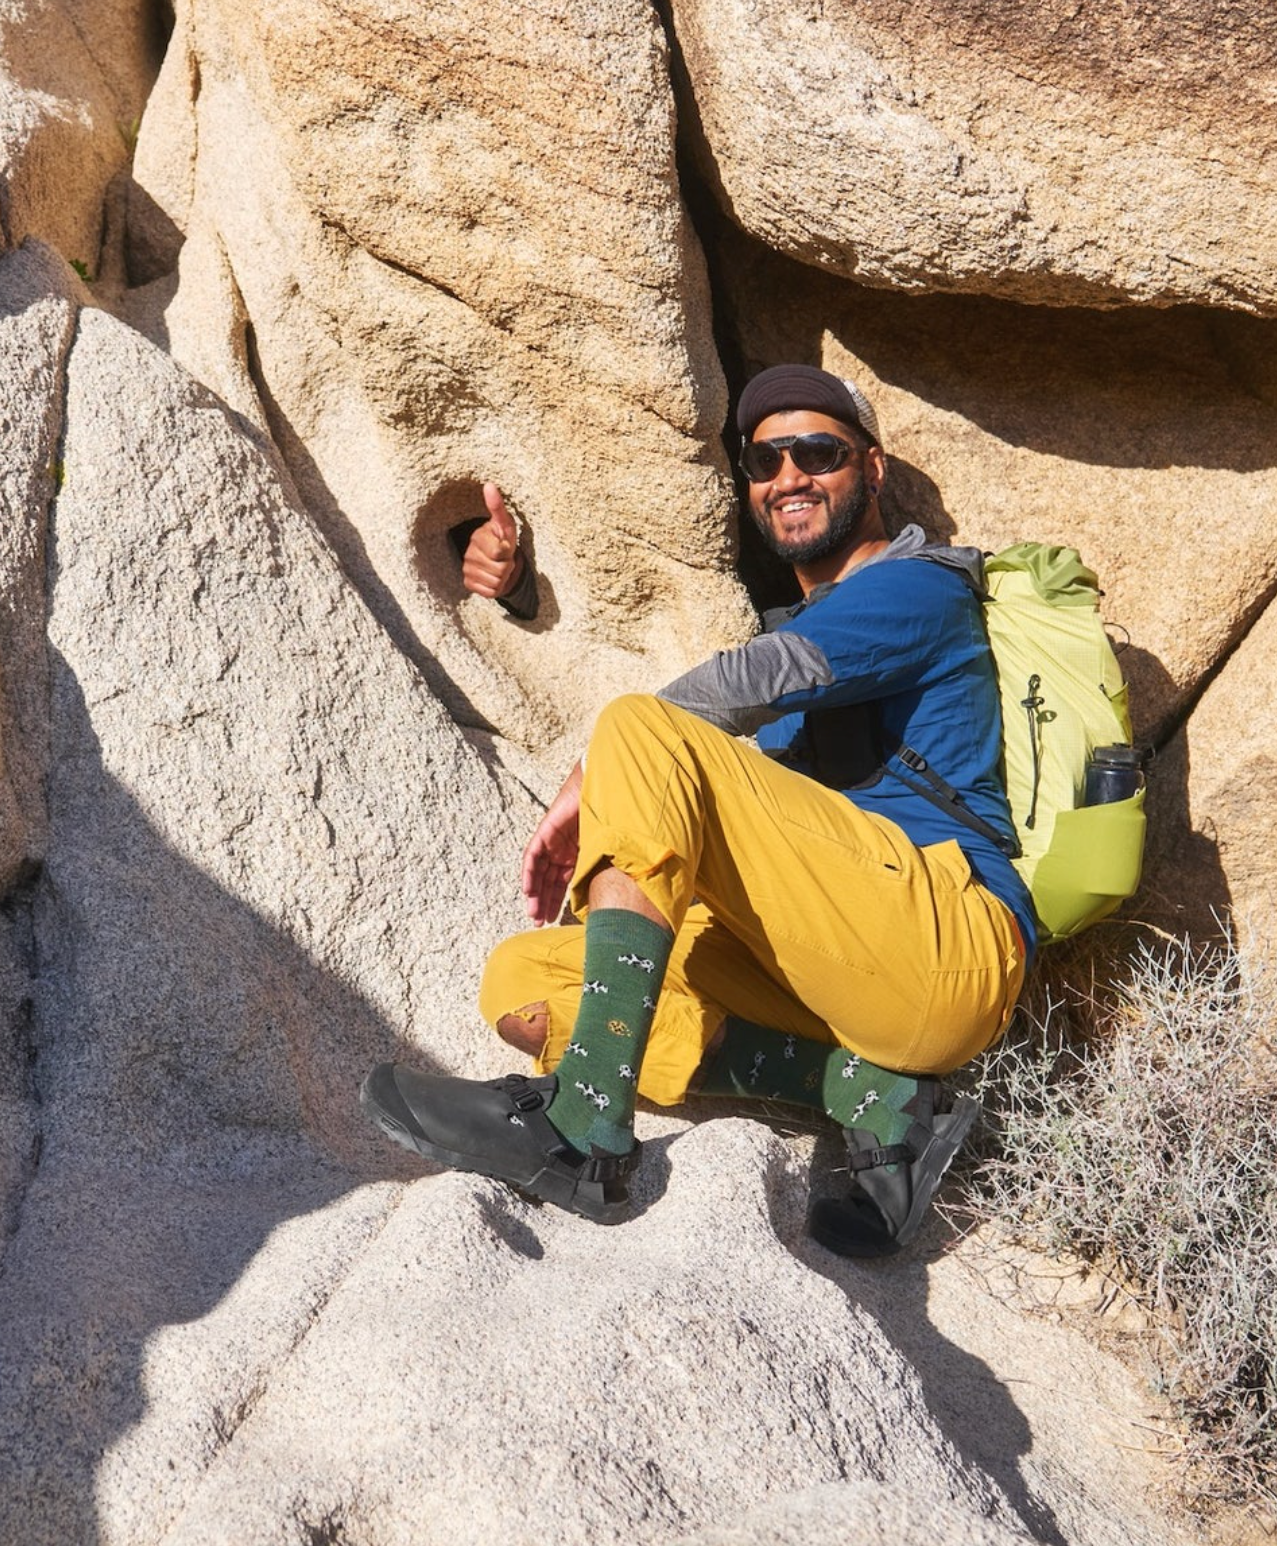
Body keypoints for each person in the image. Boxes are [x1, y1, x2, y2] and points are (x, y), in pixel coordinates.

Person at [361, 365, 1035, 1257]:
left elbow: (746, 683)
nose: (788, 476)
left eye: (817, 452)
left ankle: (585, 1129)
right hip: (843, 981)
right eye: (764, 461)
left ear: (871, 470)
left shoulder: (921, 587)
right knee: (526, 981)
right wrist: (513, 585)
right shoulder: (807, 626)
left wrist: (593, 772)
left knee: (643, 725)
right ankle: (871, 1095)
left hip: (954, 945)